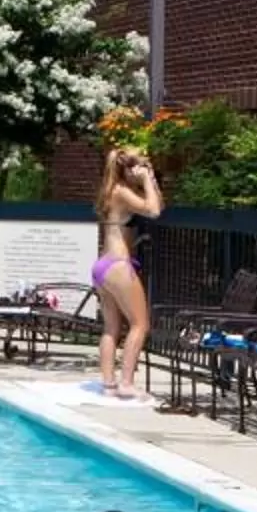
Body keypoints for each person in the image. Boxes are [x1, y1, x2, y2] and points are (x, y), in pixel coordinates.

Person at [92, 146, 163, 400]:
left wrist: (149, 180)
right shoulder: (122, 192)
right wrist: (145, 179)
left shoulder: (110, 190)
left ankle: (109, 384)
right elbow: (154, 211)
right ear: (129, 169)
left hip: (102, 265)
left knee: (111, 328)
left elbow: (155, 202)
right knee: (140, 325)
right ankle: (127, 383)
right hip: (119, 265)